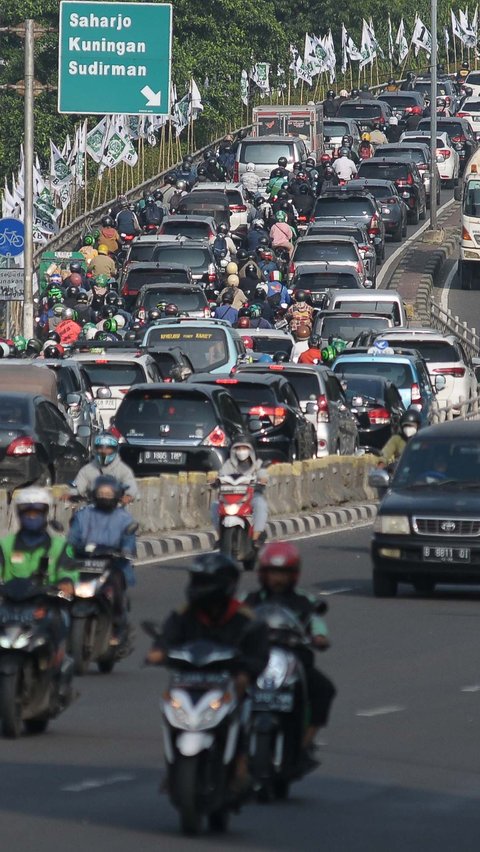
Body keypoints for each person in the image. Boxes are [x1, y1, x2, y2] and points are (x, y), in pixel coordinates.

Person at [145, 552, 270, 795]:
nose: (198, 587)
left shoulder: (243, 616)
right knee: (169, 706)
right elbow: (166, 637)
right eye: (196, 580)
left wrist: (246, 667)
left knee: (244, 706)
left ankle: (241, 765)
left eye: (204, 581)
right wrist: (158, 651)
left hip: (226, 681)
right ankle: (173, 767)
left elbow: (259, 650)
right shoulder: (185, 613)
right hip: (189, 680)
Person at [245, 541, 336, 760]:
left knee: (324, 689)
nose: (278, 579)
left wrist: (319, 637)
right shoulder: (249, 600)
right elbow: (234, 620)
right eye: (273, 573)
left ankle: (305, 741)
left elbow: (316, 620)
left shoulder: (304, 600)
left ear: (293, 574)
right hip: (256, 660)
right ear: (263, 574)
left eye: (283, 573)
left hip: (293, 662)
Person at [68, 476, 137, 643]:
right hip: (83, 563)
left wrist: (124, 552)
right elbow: (72, 540)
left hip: (112, 565)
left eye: (108, 493)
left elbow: (129, 542)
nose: (105, 497)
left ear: (117, 495)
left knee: (116, 589)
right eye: (101, 493)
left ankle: (119, 627)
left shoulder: (125, 519)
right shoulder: (83, 515)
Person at [0, 487, 78, 595]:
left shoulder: (60, 545)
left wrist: (66, 582)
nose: (32, 517)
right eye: (28, 513)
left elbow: (68, 570)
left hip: (48, 604)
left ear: (45, 513)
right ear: (19, 513)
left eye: (37, 513)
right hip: (11, 605)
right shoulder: (4, 545)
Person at [212, 437, 268, 550]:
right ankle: (220, 537)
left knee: (260, 504)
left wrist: (262, 480)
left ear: (251, 450)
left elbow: (263, 476)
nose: (241, 451)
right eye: (238, 448)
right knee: (214, 505)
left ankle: (256, 537)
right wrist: (215, 480)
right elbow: (221, 475)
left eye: (244, 448)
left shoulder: (257, 465)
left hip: (251, 496)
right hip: (231, 497)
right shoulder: (229, 465)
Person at [68, 433, 139, 503]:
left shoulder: (123, 470)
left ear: (114, 450)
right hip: (93, 508)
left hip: (116, 509)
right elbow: (79, 484)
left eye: (108, 448)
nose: (104, 451)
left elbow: (130, 485)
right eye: (100, 448)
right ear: (96, 450)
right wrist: (72, 493)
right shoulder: (87, 469)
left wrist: (128, 496)